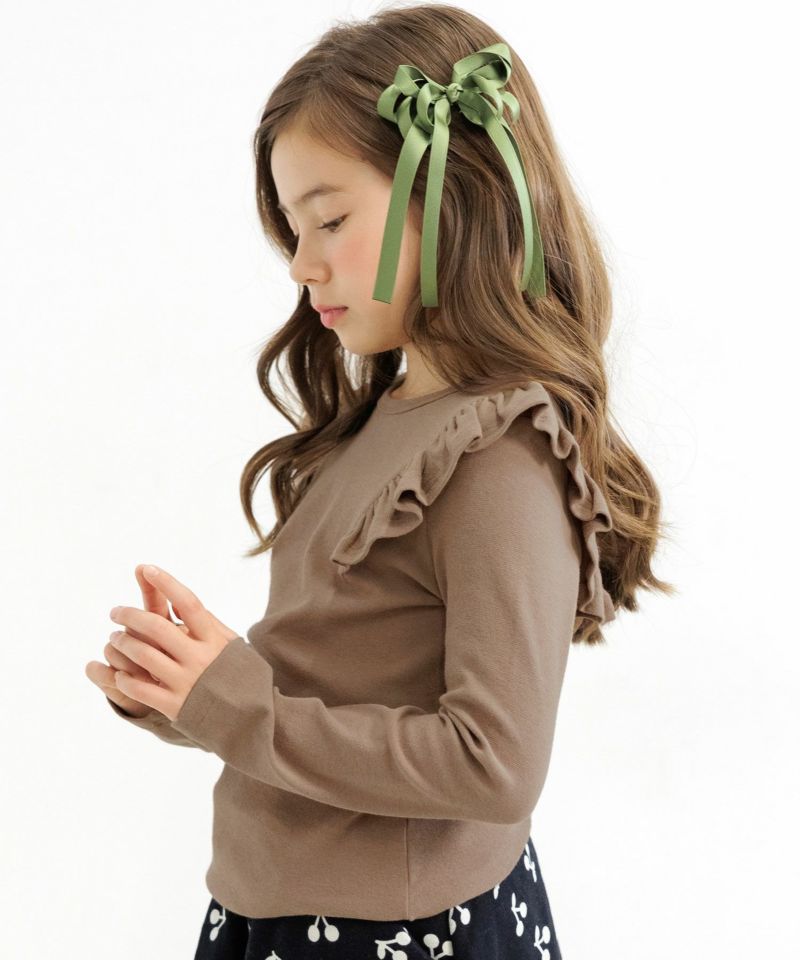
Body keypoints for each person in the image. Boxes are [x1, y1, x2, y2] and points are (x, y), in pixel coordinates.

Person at [85, 3, 674, 957]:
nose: (301, 264)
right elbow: (339, 683)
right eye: (291, 228)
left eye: (329, 220)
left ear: (455, 195)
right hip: (279, 909)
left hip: (392, 933)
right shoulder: (387, 415)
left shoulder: (502, 453)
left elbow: (494, 765)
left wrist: (240, 707)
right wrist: (194, 695)